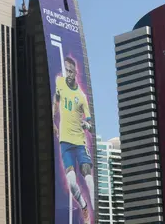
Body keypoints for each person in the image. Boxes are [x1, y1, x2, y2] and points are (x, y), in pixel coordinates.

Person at [52, 56, 95, 224]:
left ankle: (96, 214)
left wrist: (86, 125)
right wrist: (52, 120)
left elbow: (91, 124)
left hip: (79, 142)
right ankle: (84, 206)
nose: (68, 73)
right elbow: (56, 101)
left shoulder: (81, 97)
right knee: (71, 183)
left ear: (75, 72)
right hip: (65, 142)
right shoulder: (59, 82)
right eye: (66, 70)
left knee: (89, 180)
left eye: (71, 71)